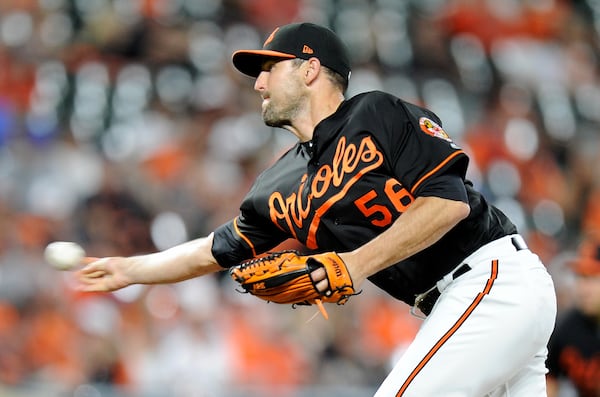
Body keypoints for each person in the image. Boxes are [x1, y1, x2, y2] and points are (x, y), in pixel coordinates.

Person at [76, 22, 557, 396]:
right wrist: (130, 270)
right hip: (457, 304)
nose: (259, 82)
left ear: (309, 70)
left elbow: (446, 204)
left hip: (491, 282)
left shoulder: (378, 113)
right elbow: (211, 251)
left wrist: (354, 264)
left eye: (270, 67)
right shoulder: (277, 185)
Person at [546, 233, 600, 397]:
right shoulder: (566, 329)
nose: (583, 288)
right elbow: (547, 382)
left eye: (591, 278)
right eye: (579, 277)